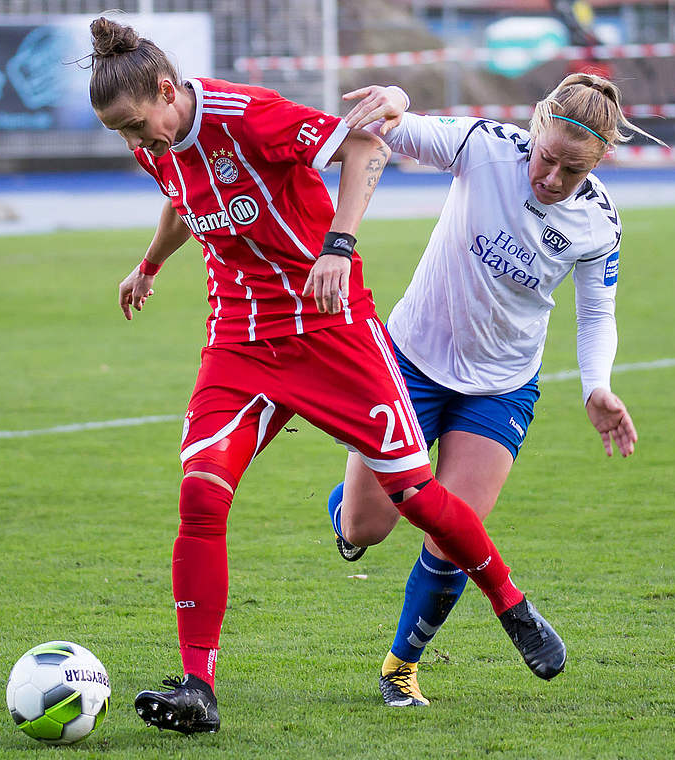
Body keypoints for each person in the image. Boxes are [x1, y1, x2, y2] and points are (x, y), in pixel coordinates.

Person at [85, 16, 566, 735]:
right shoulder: (157, 142)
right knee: (200, 492)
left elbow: (364, 143)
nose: (134, 142)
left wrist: (338, 245)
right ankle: (197, 686)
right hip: (241, 342)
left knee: (416, 497)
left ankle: (510, 602)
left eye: (135, 125)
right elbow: (184, 197)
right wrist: (149, 263)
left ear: (166, 89)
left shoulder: (248, 116)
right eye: (121, 133)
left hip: (330, 329)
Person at [326, 73, 650, 707]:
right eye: (547, 158)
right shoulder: (485, 146)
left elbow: (595, 314)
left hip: (501, 385)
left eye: (573, 171)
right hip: (409, 361)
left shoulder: (598, 222)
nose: (553, 178)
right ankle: (352, 506)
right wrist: (396, 102)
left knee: (455, 532)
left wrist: (597, 387)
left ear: (601, 161)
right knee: (367, 529)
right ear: (534, 129)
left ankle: (400, 667)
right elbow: (401, 133)